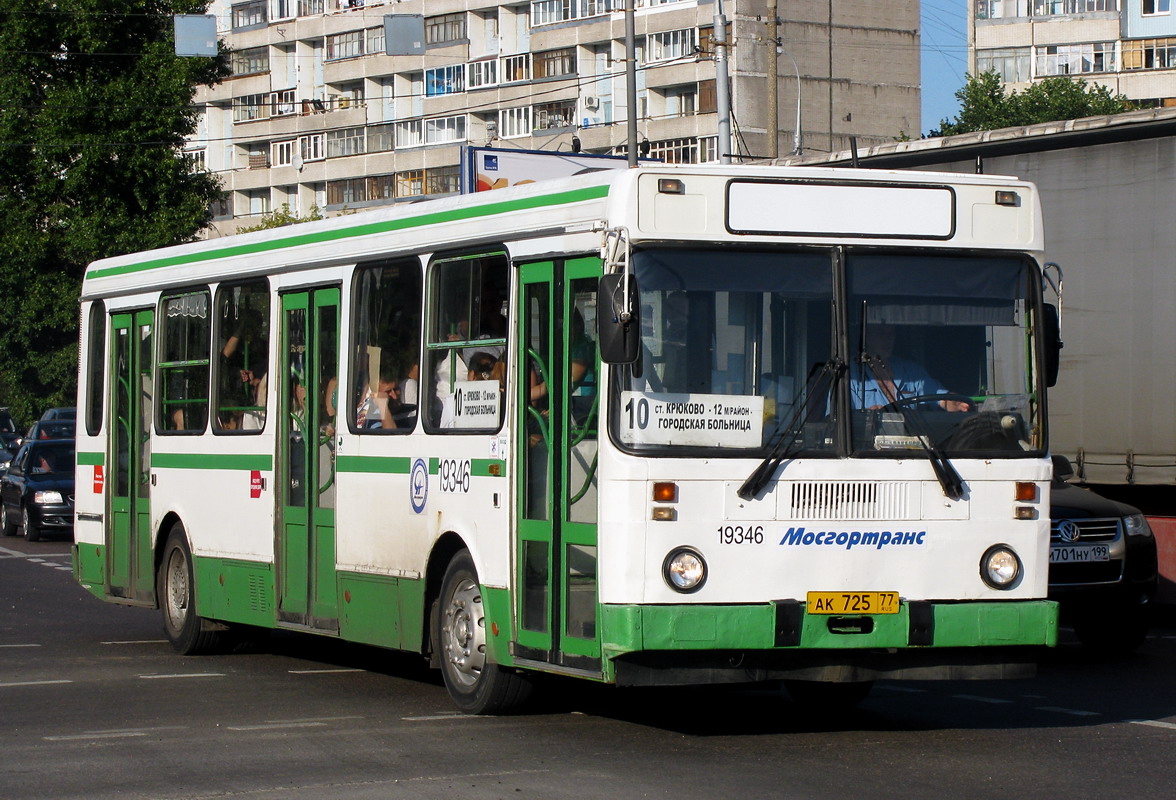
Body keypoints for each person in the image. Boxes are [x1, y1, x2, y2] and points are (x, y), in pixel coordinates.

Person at [852, 323, 970, 412]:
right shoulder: (850, 376)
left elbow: (939, 396)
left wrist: (953, 402)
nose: (888, 339)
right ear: (865, 336)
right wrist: (866, 416)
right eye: (881, 333)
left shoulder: (912, 372)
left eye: (891, 333)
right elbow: (838, 418)